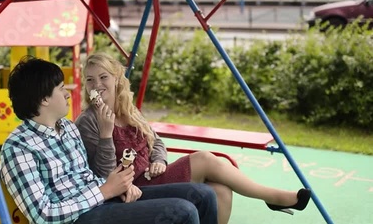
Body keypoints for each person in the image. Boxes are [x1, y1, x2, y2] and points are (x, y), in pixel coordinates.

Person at [75, 52, 312, 224]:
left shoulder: (128, 109)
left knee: (220, 189)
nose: (97, 84)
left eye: (103, 77)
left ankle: (272, 197)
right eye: (90, 80)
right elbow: (100, 174)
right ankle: (272, 196)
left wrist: (160, 160)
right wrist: (106, 135)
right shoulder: (88, 121)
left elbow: (155, 141)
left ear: (117, 79)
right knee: (205, 159)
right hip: (132, 189)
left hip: (154, 176)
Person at [0, 55, 220, 224]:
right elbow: (43, 215)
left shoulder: (66, 128)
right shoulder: (19, 148)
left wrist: (120, 187)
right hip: (78, 218)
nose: (67, 94)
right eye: (61, 89)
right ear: (44, 99)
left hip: (101, 201)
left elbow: (88, 176)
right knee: (184, 211)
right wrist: (105, 191)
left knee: (203, 195)